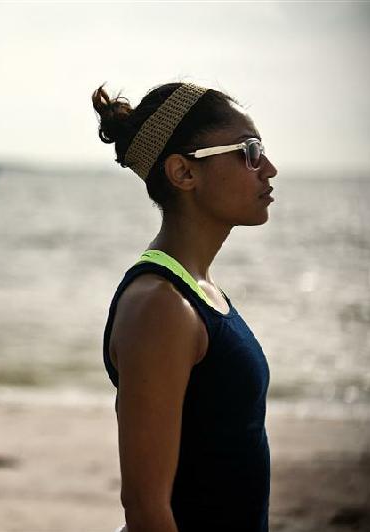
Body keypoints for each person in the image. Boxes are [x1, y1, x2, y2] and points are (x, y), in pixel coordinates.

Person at [92, 81, 277, 531]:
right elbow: (145, 509)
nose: (269, 168)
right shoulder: (160, 305)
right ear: (183, 172)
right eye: (249, 151)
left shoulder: (199, 290)